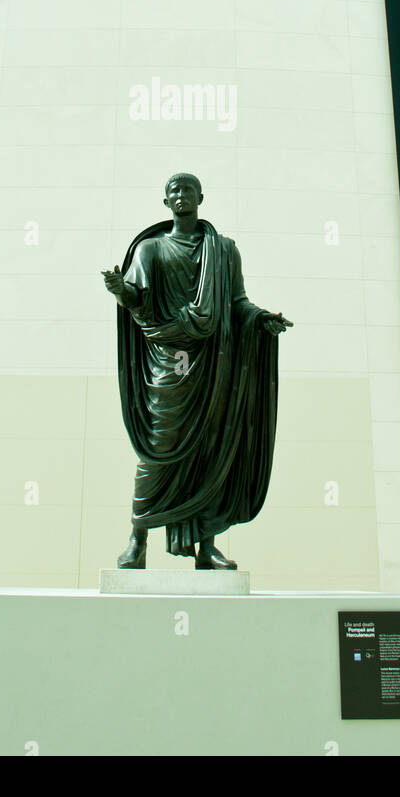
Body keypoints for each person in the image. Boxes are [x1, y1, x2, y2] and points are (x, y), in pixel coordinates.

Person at [102, 173, 291, 570]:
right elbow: (138, 299)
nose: (181, 195)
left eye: (188, 189)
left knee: (211, 450)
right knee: (157, 450)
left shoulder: (224, 251)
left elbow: (237, 302)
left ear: (200, 197)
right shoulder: (151, 250)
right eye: (174, 191)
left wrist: (260, 321)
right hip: (169, 363)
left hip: (212, 363)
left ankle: (207, 547)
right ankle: (137, 541)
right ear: (165, 202)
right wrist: (121, 289)